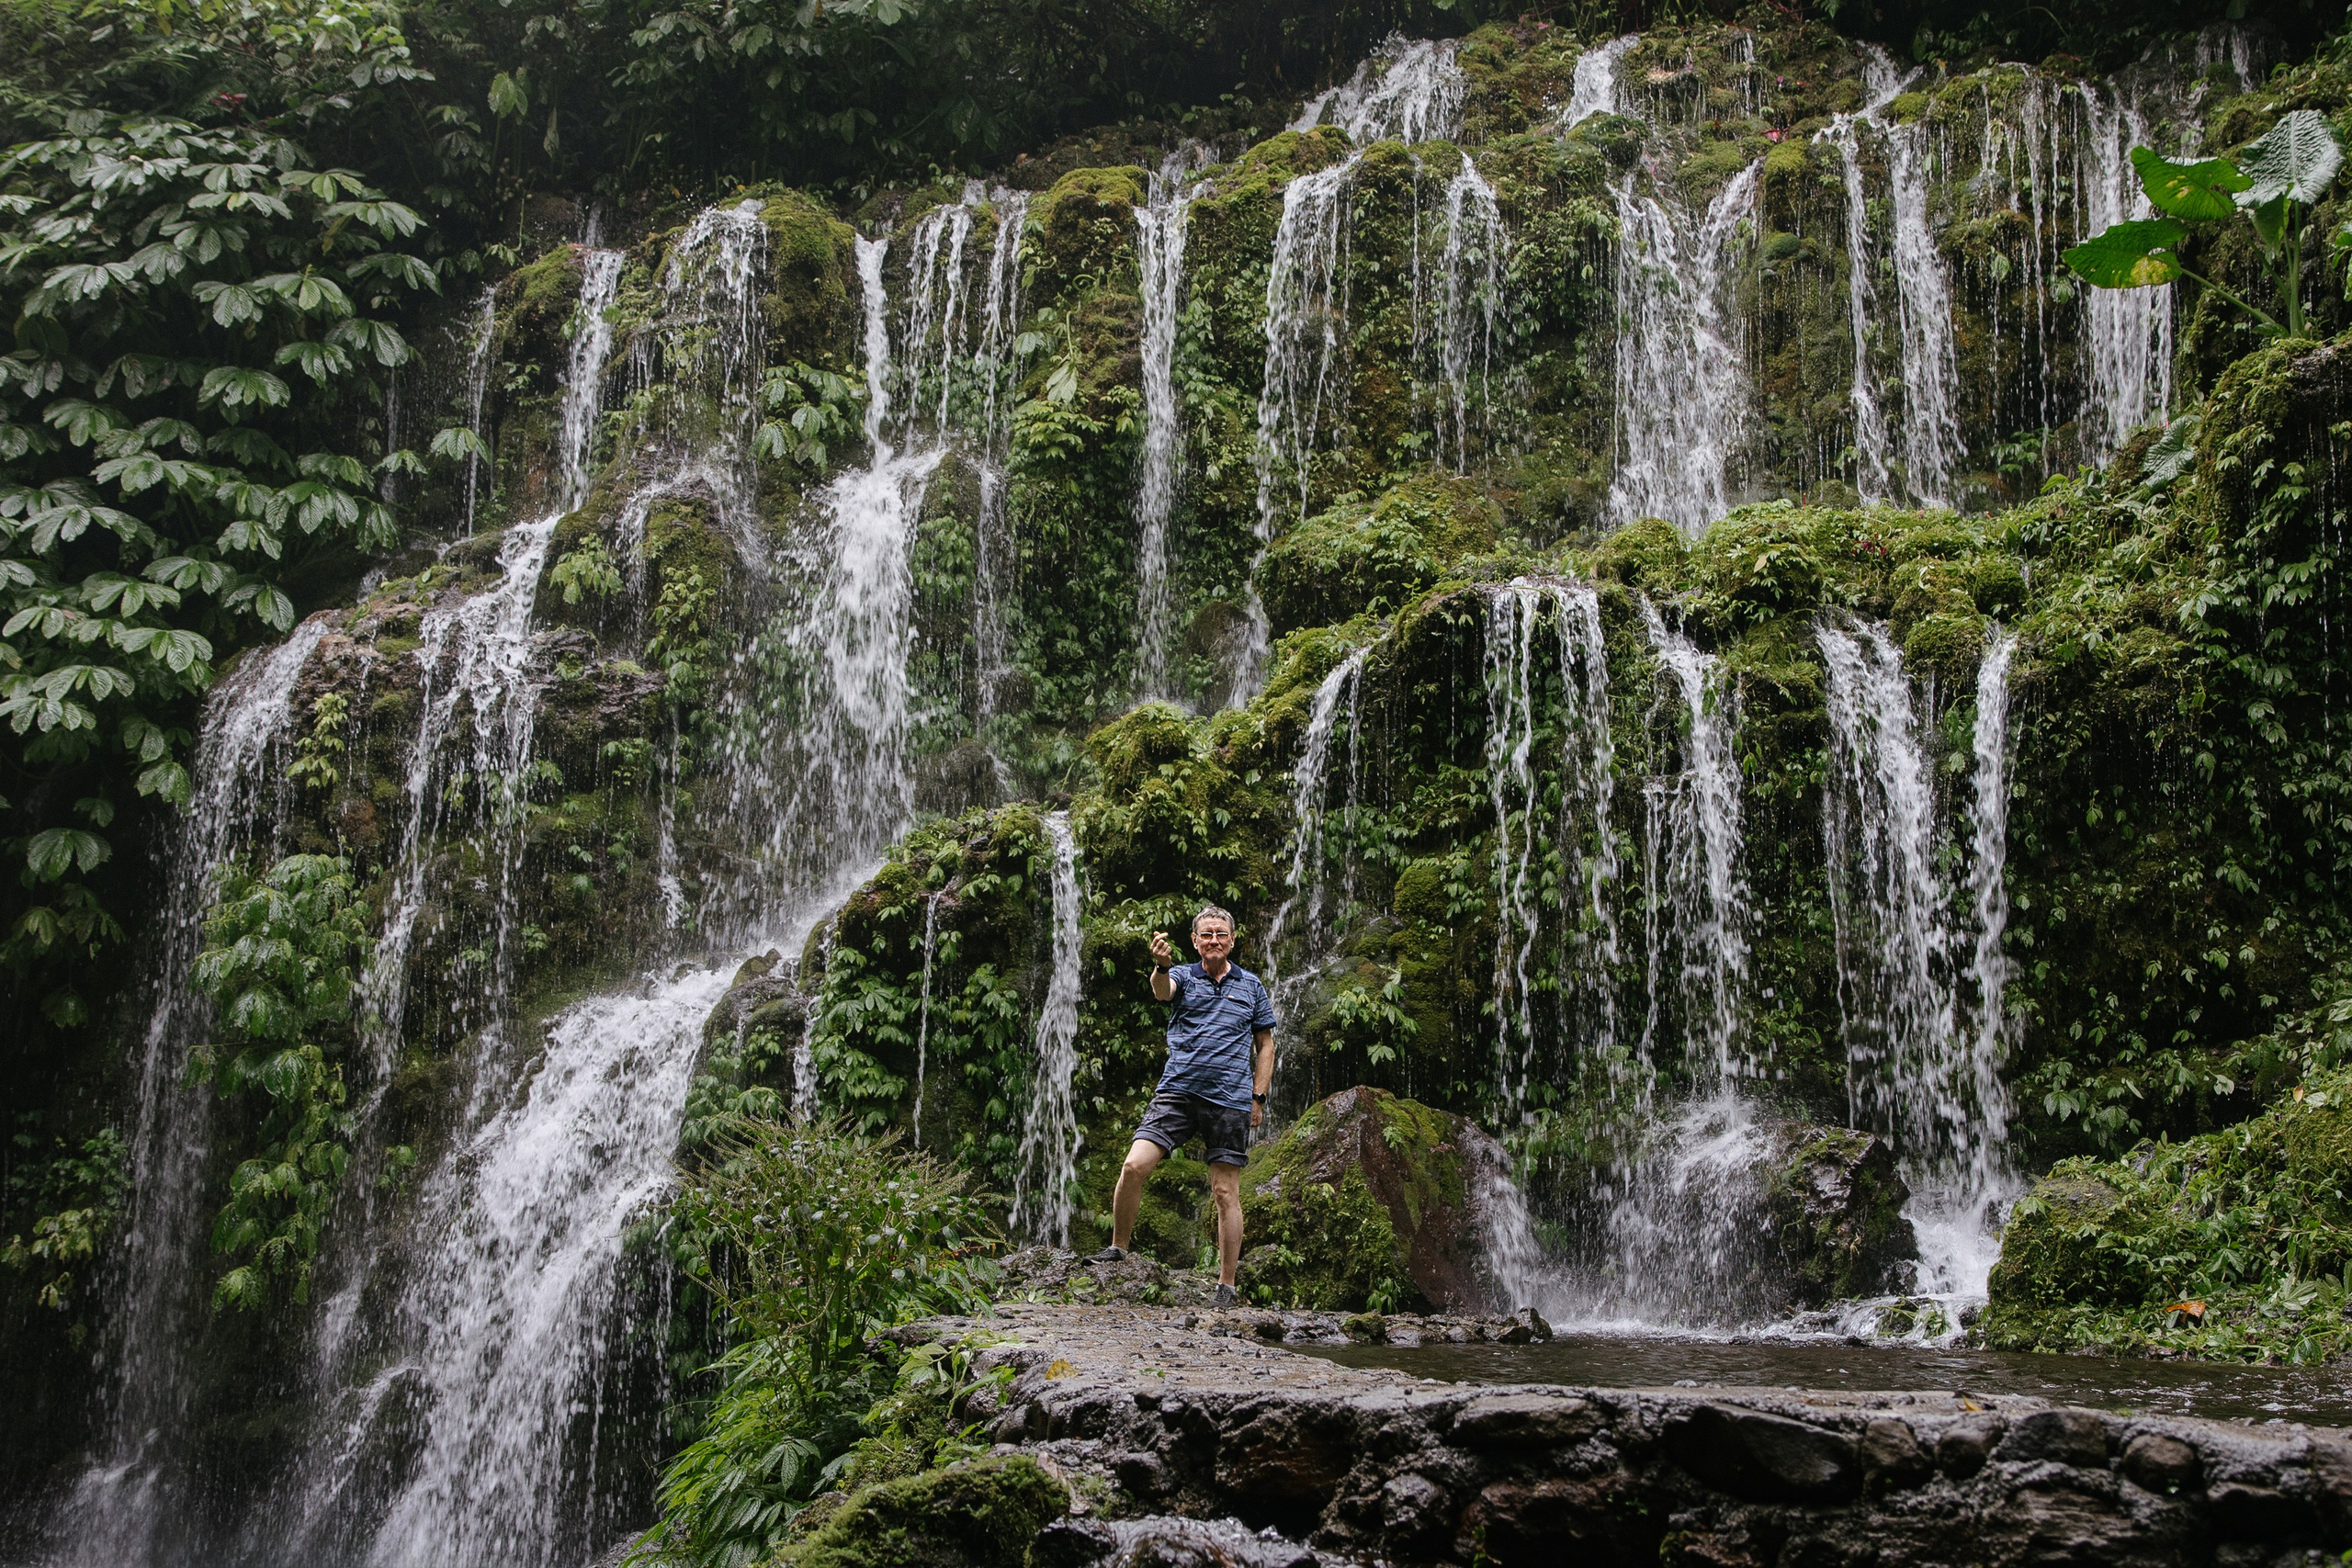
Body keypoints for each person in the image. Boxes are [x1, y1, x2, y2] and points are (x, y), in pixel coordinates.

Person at [1087, 905, 1274, 1307]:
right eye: (1206, 934)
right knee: (1134, 1165)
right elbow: (1161, 991)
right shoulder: (1183, 976)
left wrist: (1257, 1097)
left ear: (1232, 939)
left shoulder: (1252, 986)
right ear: (1194, 941)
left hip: (1229, 1099)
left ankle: (1226, 1285)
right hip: (1178, 1092)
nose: (1213, 940)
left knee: (1226, 1192)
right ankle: (1118, 1248)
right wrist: (1160, 965)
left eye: (1221, 934)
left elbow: (1266, 1045)